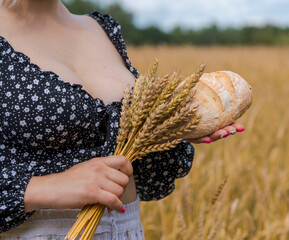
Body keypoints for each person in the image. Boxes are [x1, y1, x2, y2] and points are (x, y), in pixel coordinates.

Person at [0, 0, 245, 239]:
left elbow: (137, 163)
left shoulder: (100, 27)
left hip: (128, 229)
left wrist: (167, 129)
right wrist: (43, 188)